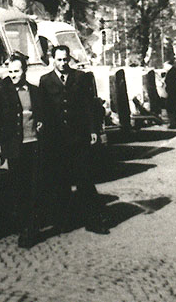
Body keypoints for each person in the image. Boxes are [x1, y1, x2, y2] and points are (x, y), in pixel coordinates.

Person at [0, 53, 47, 249]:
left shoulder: (35, 91)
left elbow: (43, 113)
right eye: (11, 71)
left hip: (34, 145)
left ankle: (31, 228)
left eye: (17, 71)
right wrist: (0, 139)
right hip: (15, 149)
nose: (14, 75)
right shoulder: (2, 92)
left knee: (34, 188)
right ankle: (24, 228)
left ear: (25, 70)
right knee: (20, 189)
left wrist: (42, 123)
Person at [39, 45, 109, 234]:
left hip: (78, 137)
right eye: (59, 60)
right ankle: (64, 221)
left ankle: (94, 221)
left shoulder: (80, 77)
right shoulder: (45, 81)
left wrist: (93, 130)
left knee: (84, 179)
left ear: (69, 58)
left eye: (65, 59)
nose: (63, 64)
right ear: (52, 59)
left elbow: (89, 106)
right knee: (61, 181)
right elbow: (43, 110)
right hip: (57, 139)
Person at [163, 60, 176, 129]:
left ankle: (173, 124)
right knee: (174, 109)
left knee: (171, 109)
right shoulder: (173, 71)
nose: (164, 67)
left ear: (168, 65)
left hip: (172, 93)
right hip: (174, 93)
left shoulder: (171, 72)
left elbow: (170, 83)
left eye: (165, 66)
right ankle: (174, 123)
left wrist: (167, 89)